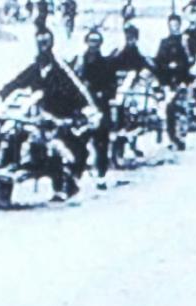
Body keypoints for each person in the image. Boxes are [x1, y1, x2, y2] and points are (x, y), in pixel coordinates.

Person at [0, 26, 95, 201]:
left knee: (56, 146)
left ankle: (63, 185)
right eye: (39, 43)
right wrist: (3, 93)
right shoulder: (34, 69)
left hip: (58, 119)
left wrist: (78, 114)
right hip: (36, 120)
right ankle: (5, 180)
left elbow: (78, 94)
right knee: (13, 138)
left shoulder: (61, 71)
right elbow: (17, 83)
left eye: (45, 43)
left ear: (51, 44)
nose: (42, 47)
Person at [73, 28, 116, 188]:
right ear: (86, 42)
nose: (93, 45)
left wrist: (102, 94)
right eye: (91, 41)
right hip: (82, 108)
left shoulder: (106, 64)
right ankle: (75, 175)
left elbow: (112, 86)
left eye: (96, 42)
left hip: (100, 108)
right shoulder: (79, 62)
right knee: (78, 142)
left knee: (101, 144)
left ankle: (101, 176)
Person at [155, 13, 193, 149]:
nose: (174, 28)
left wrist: (179, 65)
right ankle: (172, 138)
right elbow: (158, 61)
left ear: (180, 25)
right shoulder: (164, 43)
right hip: (168, 81)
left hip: (182, 80)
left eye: (176, 25)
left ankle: (180, 137)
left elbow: (189, 60)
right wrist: (166, 69)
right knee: (169, 109)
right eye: (171, 25)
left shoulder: (185, 41)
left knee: (181, 110)